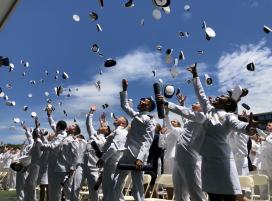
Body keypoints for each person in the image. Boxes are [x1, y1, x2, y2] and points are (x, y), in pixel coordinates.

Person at [113, 79, 156, 201]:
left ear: (148, 105)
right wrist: (125, 90)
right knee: (115, 184)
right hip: (126, 154)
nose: (141, 100)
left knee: (137, 189)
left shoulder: (150, 120)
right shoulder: (137, 115)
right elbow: (124, 105)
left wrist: (140, 158)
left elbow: (148, 140)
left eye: (144, 100)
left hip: (138, 156)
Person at [70, 105, 109, 201]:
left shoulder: (107, 140)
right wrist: (91, 112)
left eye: (104, 126)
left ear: (107, 130)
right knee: (75, 187)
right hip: (82, 164)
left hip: (94, 167)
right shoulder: (93, 134)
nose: (101, 126)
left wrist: (104, 123)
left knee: (93, 192)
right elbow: (89, 124)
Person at [96, 113, 129, 201]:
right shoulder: (117, 131)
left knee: (111, 189)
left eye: (119, 117)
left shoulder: (121, 131)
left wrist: (103, 158)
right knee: (110, 190)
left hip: (113, 162)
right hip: (110, 162)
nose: (116, 118)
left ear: (123, 123)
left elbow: (114, 147)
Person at [255, 122, 272, 199]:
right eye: (267, 125)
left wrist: (265, 139)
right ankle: (263, 199)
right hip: (262, 165)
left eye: (269, 125)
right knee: (263, 186)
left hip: (270, 164)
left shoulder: (267, 137)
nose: (267, 126)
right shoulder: (267, 135)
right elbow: (258, 131)